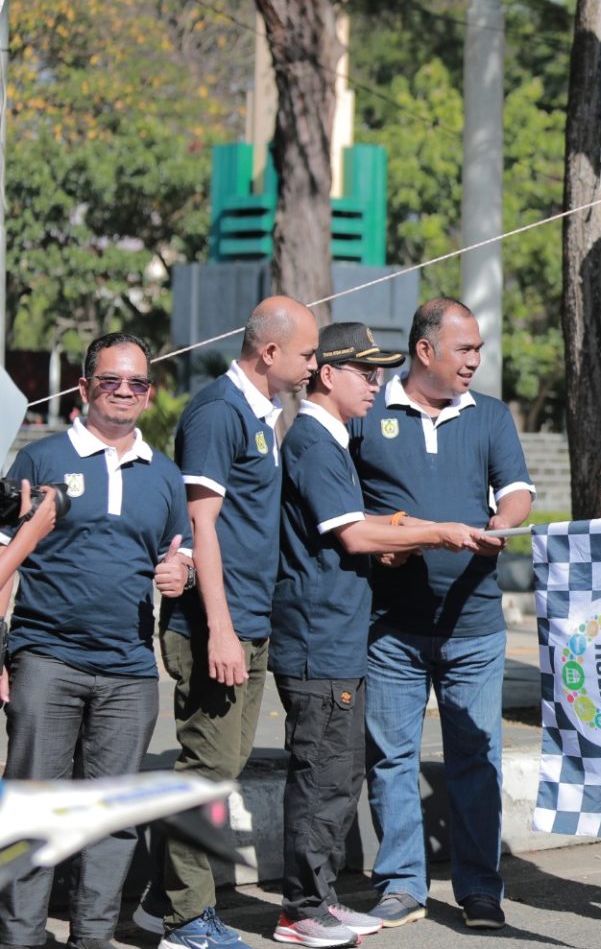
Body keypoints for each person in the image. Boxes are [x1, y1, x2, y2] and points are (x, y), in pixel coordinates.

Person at [268, 323, 494, 949]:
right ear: (327, 375)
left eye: (379, 372)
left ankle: (321, 901)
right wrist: (436, 531)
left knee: (338, 779)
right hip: (319, 637)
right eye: (363, 372)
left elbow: (355, 523)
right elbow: (353, 535)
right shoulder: (314, 439)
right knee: (321, 782)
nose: (376, 383)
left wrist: (395, 527)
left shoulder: (331, 437)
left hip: (339, 636)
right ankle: (301, 910)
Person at [348, 298, 532, 931]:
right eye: (465, 349)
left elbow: (517, 492)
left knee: (476, 759)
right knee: (391, 757)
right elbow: (342, 505)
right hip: (390, 627)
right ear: (424, 351)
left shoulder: (490, 415)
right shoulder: (368, 412)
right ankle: (401, 884)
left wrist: (500, 524)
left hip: (474, 626)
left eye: (478, 348)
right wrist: (387, 539)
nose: (476, 360)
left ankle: (480, 888)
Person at [0, 333, 184, 949]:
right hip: (45, 658)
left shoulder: (164, 474)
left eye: (137, 383)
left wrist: (179, 575)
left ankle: (94, 936)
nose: (124, 391)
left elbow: (177, 556)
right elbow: (4, 564)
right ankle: (20, 936)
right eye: (111, 380)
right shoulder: (39, 460)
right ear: (84, 387)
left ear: (149, 393)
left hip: (130, 670)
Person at [150, 297, 319, 949]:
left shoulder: (260, 412)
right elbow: (202, 525)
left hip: (249, 620)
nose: (314, 365)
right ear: (269, 352)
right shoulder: (219, 412)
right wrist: (218, 627)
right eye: (307, 354)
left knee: (225, 764)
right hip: (214, 626)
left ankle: (161, 899)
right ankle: (186, 921)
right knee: (208, 769)